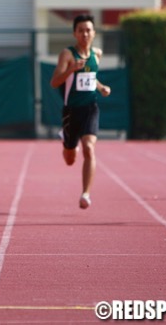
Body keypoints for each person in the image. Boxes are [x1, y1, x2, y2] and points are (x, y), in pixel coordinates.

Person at [49, 14, 111, 210]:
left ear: (93, 33)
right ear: (75, 33)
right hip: (71, 111)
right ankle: (67, 142)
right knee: (70, 159)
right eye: (81, 30)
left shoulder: (97, 54)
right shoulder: (67, 55)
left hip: (90, 108)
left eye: (88, 30)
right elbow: (54, 82)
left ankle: (86, 193)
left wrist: (101, 88)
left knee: (89, 148)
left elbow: (91, 78)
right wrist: (71, 70)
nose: (85, 34)